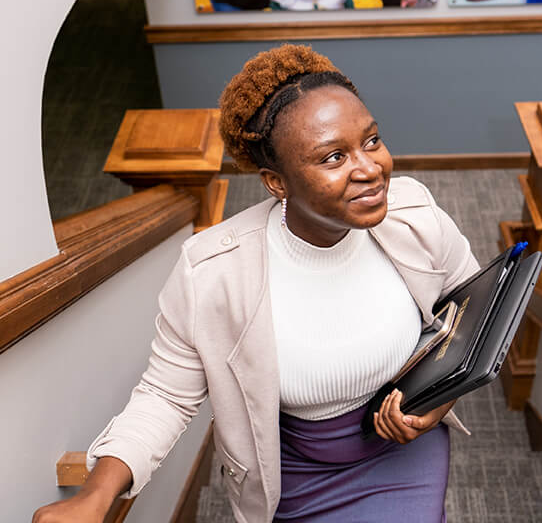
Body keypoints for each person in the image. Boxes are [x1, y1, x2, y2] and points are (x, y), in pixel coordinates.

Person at [32, 44, 479, 523]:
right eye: (333, 157)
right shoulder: (213, 271)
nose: (371, 169)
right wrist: (95, 496)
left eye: (371, 141)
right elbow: (165, 396)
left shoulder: (415, 214)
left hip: (405, 452)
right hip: (295, 475)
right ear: (276, 181)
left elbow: (477, 304)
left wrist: (441, 397)